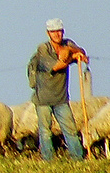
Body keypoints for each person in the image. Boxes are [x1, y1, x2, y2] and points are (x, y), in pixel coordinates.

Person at [27, 18, 90, 160]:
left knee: (70, 129)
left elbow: (81, 52)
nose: (57, 35)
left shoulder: (67, 44)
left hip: (61, 98)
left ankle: (77, 158)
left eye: (59, 31)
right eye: (53, 32)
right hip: (43, 98)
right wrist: (71, 57)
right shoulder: (43, 49)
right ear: (48, 33)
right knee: (45, 131)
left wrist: (70, 51)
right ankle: (48, 160)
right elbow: (56, 66)